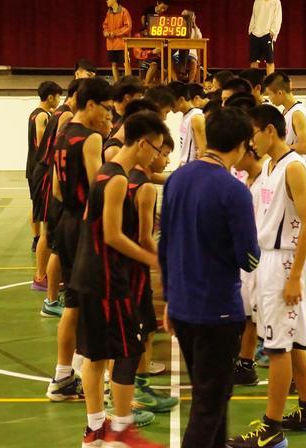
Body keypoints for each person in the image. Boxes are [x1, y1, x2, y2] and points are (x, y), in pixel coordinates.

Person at [159, 106, 260, 448]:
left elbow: (165, 244)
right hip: (217, 310)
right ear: (243, 144)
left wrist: (169, 298)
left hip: (182, 306)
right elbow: (249, 258)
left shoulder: (176, 180)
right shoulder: (234, 190)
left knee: (214, 396)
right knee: (208, 403)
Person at [226, 105, 306, 448]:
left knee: (277, 346)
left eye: (253, 133)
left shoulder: (293, 167)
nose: (251, 141)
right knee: (294, 342)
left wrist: (294, 276)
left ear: (270, 130)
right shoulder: (270, 166)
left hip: (284, 263)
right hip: (269, 260)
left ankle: (271, 428)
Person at [72, 111, 168, 447]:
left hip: (88, 275)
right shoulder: (116, 180)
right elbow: (112, 236)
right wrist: (154, 260)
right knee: (127, 351)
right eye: (156, 148)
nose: (156, 156)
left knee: (95, 356)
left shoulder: (105, 171)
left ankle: (95, 429)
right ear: (142, 144)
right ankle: (122, 431)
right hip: (106, 280)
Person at [45, 77, 114, 403]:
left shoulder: (62, 134)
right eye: (105, 107)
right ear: (91, 105)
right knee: (93, 303)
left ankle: (63, 376)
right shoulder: (91, 138)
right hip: (86, 228)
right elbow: (98, 190)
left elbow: (57, 189)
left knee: (72, 302)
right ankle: (96, 377)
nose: (108, 114)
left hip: (66, 223)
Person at [127, 131, 179, 414]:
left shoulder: (125, 177)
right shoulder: (145, 187)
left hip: (121, 266)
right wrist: (163, 264)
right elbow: (145, 238)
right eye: (164, 153)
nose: (166, 160)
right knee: (142, 329)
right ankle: (136, 391)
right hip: (133, 269)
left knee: (142, 328)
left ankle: (140, 386)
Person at [34, 79, 81, 318]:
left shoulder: (60, 112)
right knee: (51, 236)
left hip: (47, 173)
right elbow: (58, 149)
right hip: (48, 175)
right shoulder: (66, 115)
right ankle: (42, 280)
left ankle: (46, 281)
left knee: (52, 236)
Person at [231, 142, 266, 387]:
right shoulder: (247, 181)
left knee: (261, 317)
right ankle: (245, 363)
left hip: (261, 256)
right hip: (248, 254)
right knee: (247, 314)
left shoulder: (268, 181)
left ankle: (304, 368)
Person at [27, 81, 63, 292]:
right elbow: (43, 143)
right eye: (58, 96)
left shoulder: (34, 113)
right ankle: (41, 275)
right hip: (39, 168)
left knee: (37, 209)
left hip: (34, 166)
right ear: (50, 97)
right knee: (44, 217)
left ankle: (37, 241)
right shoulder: (43, 116)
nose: (59, 100)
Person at [263, 71, 306, 170]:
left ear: (279, 93)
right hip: (286, 165)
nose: (269, 98)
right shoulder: (286, 111)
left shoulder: (297, 114)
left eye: (270, 94)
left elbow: (305, 147)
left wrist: (279, 147)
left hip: (297, 168)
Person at [248, 0, 282, 75]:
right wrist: (251, 30)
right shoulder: (257, 1)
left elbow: (278, 18)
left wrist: (273, 32)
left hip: (267, 34)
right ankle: (254, 81)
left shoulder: (275, 1)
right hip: (255, 34)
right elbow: (253, 16)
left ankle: (270, 82)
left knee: (269, 61)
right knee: (254, 61)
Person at [169, 81, 206, 165]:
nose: (169, 105)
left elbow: (203, 150)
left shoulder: (196, 117)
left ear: (181, 99)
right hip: (186, 165)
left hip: (193, 167)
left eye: (171, 102)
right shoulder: (185, 115)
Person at [103, 0, 132, 82]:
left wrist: (115, 33)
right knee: (114, 64)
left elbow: (128, 27)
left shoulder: (124, 11)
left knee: (126, 63)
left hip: (122, 43)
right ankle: (117, 83)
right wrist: (106, 32)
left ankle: (129, 83)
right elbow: (105, 25)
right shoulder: (109, 12)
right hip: (111, 43)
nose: (107, 1)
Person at [171, 10, 203, 82]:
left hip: (191, 53)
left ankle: (190, 83)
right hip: (178, 52)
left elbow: (200, 39)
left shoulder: (195, 30)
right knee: (170, 62)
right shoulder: (178, 28)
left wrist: (194, 24)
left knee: (193, 62)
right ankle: (176, 81)